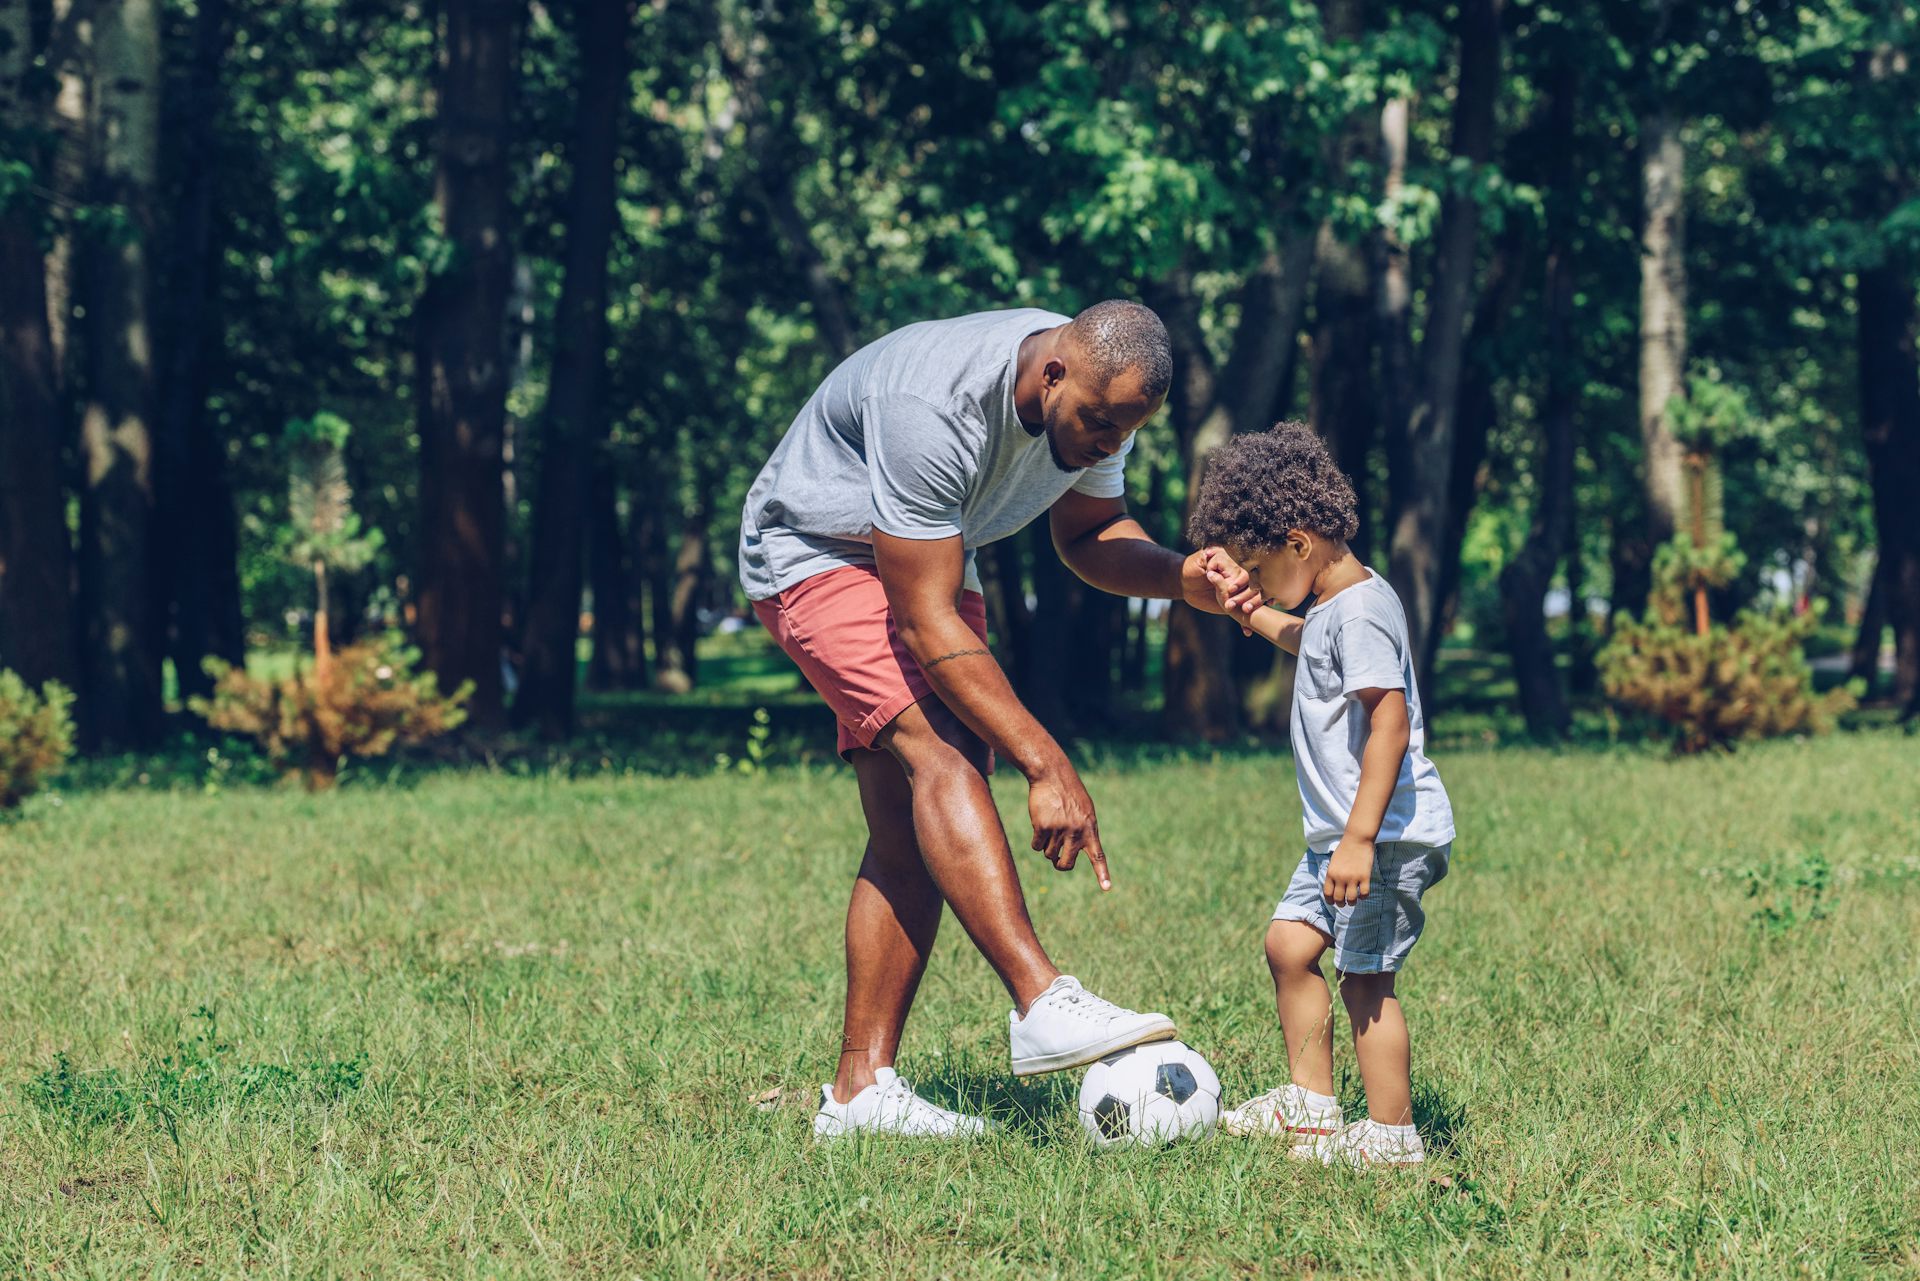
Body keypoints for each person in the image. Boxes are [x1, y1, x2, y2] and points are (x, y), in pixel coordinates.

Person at [738, 302, 1260, 1140]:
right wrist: (1047, 763)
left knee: (915, 823)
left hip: (928, 555)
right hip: (815, 547)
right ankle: (1040, 1000)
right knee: (943, 758)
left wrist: (1180, 578)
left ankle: (859, 1093)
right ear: (1052, 374)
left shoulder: (1102, 391)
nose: (1103, 443)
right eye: (1096, 423)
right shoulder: (932, 404)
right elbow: (923, 620)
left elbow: (1089, 534)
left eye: (1122, 432)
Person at [1189, 422, 1455, 1167]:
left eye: (1260, 567)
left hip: (1382, 832)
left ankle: (1391, 1134)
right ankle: (1311, 1102)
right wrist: (1248, 610)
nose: (1258, 580)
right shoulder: (1334, 609)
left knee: (1364, 976)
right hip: (1338, 837)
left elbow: (1390, 725)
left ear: (1299, 543)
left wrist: (1361, 837)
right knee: (1289, 945)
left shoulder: (1365, 609)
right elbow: (1301, 637)